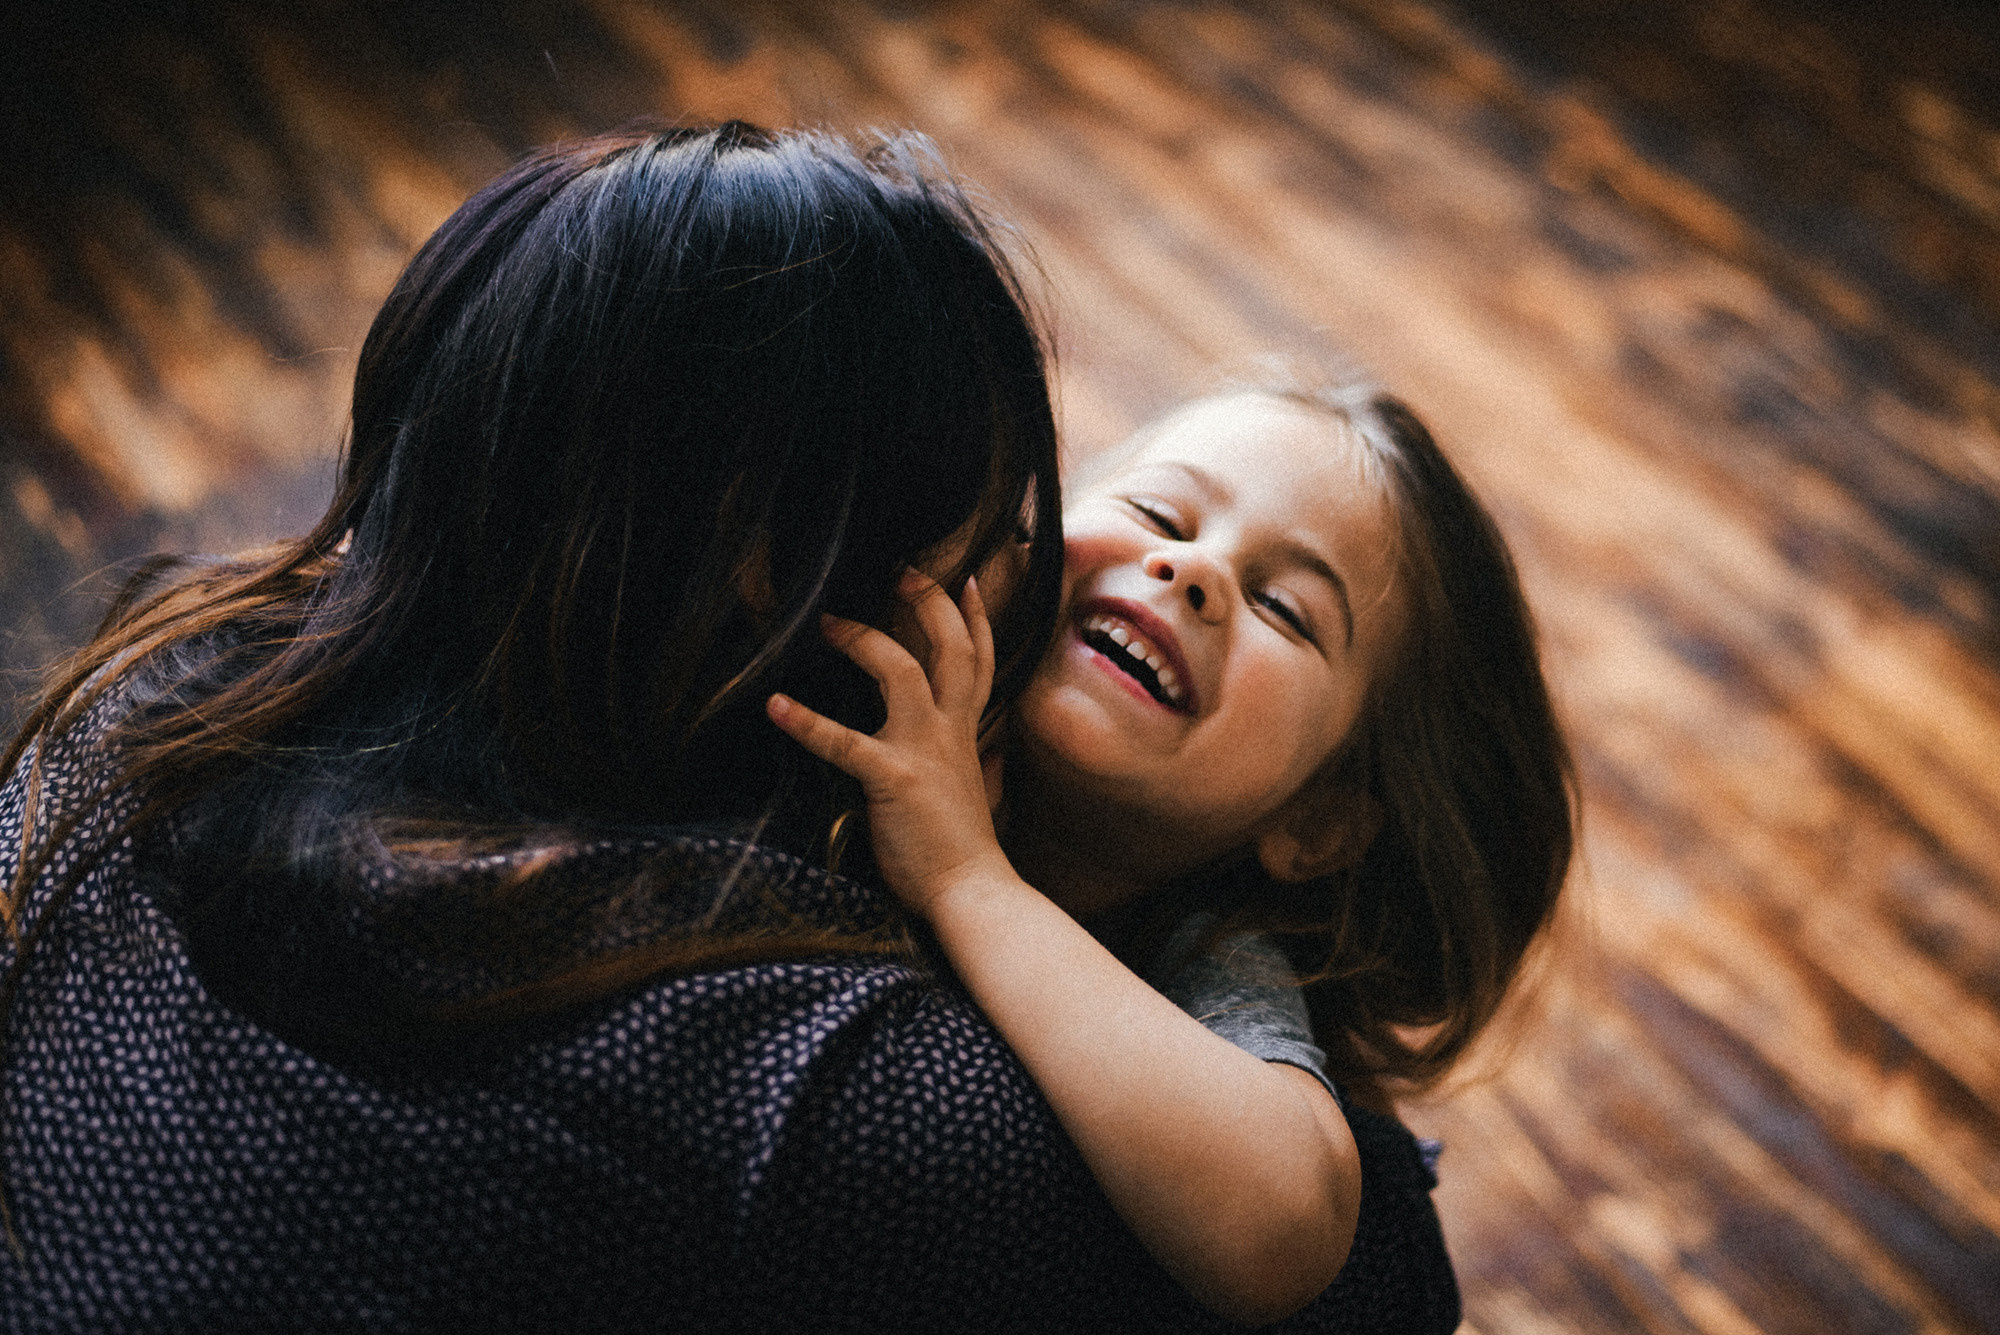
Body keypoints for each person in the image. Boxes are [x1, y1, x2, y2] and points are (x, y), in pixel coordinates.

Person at [0, 122, 1469, 1332]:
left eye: (1293, 608)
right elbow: (1363, 1288)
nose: (1177, 570)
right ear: (769, 567)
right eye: (1027, 507)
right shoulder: (813, 1069)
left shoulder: (166, 687)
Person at [773, 381, 1574, 1325]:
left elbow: (1281, 1225)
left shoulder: (1211, 958)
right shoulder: (887, 660)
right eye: (1158, 511)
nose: (1195, 570)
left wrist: (966, 878)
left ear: (1315, 825)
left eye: (1286, 608)